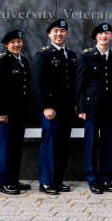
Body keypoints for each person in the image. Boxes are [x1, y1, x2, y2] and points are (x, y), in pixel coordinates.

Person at [34, 18, 77, 195]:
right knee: (50, 145)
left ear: (66, 33)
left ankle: (57, 181)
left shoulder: (72, 55)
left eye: (62, 31)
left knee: (62, 146)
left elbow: (73, 83)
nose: (59, 34)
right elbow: (38, 83)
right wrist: (45, 106)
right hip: (51, 109)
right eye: (56, 31)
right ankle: (46, 182)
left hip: (67, 109)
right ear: (49, 34)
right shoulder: (43, 54)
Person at [76, 23, 112, 194]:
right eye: (100, 34)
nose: (104, 36)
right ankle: (93, 179)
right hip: (91, 107)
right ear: (95, 37)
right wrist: (81, 108)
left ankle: (106, 178)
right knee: (91, 144)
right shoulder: (86, 56)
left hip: (109, 108)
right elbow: (80, 84)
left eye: (107, 33)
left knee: (107, 144)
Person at [0, 30, 31, 195]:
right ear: (6, 45)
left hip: (19, 112)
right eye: (13, 42)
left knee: (16, 147)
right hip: (5, 114)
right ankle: (4, 182)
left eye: (19, 41)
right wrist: (0, 112)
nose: (17, 45)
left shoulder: (24, 61)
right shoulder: (1, 61)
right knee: (5, 148)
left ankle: (13, 180)